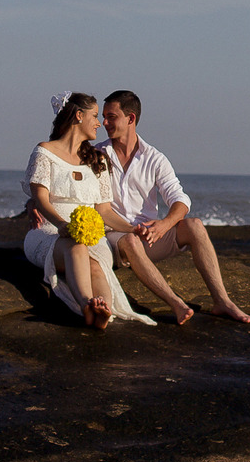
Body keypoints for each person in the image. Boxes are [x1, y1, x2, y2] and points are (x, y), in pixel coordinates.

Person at [101, 90, 250, 325]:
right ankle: (176, 304)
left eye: (111, 117)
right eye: (104, 117)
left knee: (194, 226)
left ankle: (222, 301)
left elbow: (181, 201)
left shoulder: (154, 158)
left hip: (148, 238)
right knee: (130, 240)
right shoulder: (96, 154)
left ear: (130, 119)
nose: (104, 123)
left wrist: (163, 225)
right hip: (113, 239)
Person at [23, 92, 155, 327]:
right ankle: (87, 304)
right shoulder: (44, 152)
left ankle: (102, 309)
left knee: (94, 263)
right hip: (49, 231)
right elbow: (40, 199)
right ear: (78, 115)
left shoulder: (98, 159)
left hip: (91, 236)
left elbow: (104, 211)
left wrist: (133, 229)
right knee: (76, 247)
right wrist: (62, 225)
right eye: (95, 116)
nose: (99, 123)